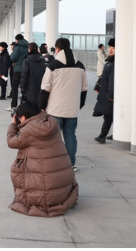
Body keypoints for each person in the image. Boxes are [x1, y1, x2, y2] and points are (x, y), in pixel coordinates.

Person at [6, 102, 78, 217]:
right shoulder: (52, 122)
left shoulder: (29, 130)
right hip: (64, 190)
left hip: (46, 196)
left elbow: (11, 142)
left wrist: (13, 125)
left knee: (18, 169)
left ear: (23, 117)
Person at [39, 38, 87, 171]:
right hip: (72, 109)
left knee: (54, 138)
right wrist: (80, 105)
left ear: (57, 49)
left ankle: (54, 164)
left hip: (55, 109)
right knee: (70, 136)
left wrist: (42, 106)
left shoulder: (53, 66)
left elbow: (45, 88)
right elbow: (84, 88)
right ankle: (71, 163)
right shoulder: (80, 66)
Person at [93, 38, 115, 143]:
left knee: (108, 115)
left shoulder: (115, 62)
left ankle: (102, 136)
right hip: (106, 91)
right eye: (110, 47)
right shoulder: (109, 61)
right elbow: (104, 75)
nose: (110, 49)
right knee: (110, 114)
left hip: (109, 93)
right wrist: (97, 86)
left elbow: (113, 80)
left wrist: (111, 95)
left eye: (113, 48)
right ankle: (115, 133)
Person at [8, 34, 29, 111]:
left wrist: (11, 55)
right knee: (24, 87)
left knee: (15, 87)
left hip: (18, 70)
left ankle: (14, 105)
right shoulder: (27, 46)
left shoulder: (17, 47)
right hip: (27, 69)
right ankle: (24, 106)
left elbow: (13, 58)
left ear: (17, 40)